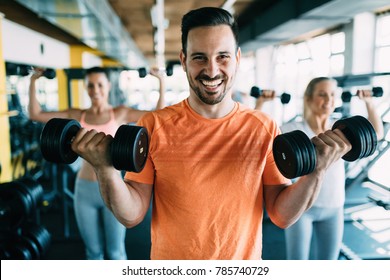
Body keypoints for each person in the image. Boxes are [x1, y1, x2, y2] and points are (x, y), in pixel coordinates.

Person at [69, 7, 353, 260]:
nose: (212, 69)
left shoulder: (263, 127)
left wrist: (316, 171)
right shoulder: (153, 125)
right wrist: (105, 170)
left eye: (223, 57)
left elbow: (281, 215)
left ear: (238, 58)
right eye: (199, 58)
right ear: (183, 60)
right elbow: (132, 215)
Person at [28, 66, 166, 260]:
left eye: (100, 85)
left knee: (116, 251)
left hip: (115, 188)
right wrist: (34, 80)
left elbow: (158, 115)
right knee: (93, 253)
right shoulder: (78, 115)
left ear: (108, 86)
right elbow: (35, 114)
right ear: (86, 88)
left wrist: (161, 81)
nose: (95, 90)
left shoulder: (120, 113)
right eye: (91, 86)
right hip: (84, 189)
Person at [258, 77, 384, 259]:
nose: (329, 99)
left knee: (328, 263)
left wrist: (369, 103)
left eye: (333, 94)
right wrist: (261, 103)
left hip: (334, 206)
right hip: (301, 209)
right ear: (308, 99)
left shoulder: (342, 131)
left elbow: (376, 135)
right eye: (322, 94)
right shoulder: (293, 129)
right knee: (297, 261)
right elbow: (259, 136)